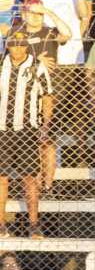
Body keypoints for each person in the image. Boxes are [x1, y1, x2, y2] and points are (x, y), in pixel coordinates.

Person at [0, 32, 53, 240]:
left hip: (27, 130)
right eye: (13, 45)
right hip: (2, 130)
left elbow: (47, 96)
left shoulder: (36, 67)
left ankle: (33, 224)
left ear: (26, 46)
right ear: (8, 46)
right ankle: (1, 225)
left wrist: (45, 125)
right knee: (1, 179)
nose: (17, 49)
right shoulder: (1, 65)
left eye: (21, 45)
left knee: (30, 178)